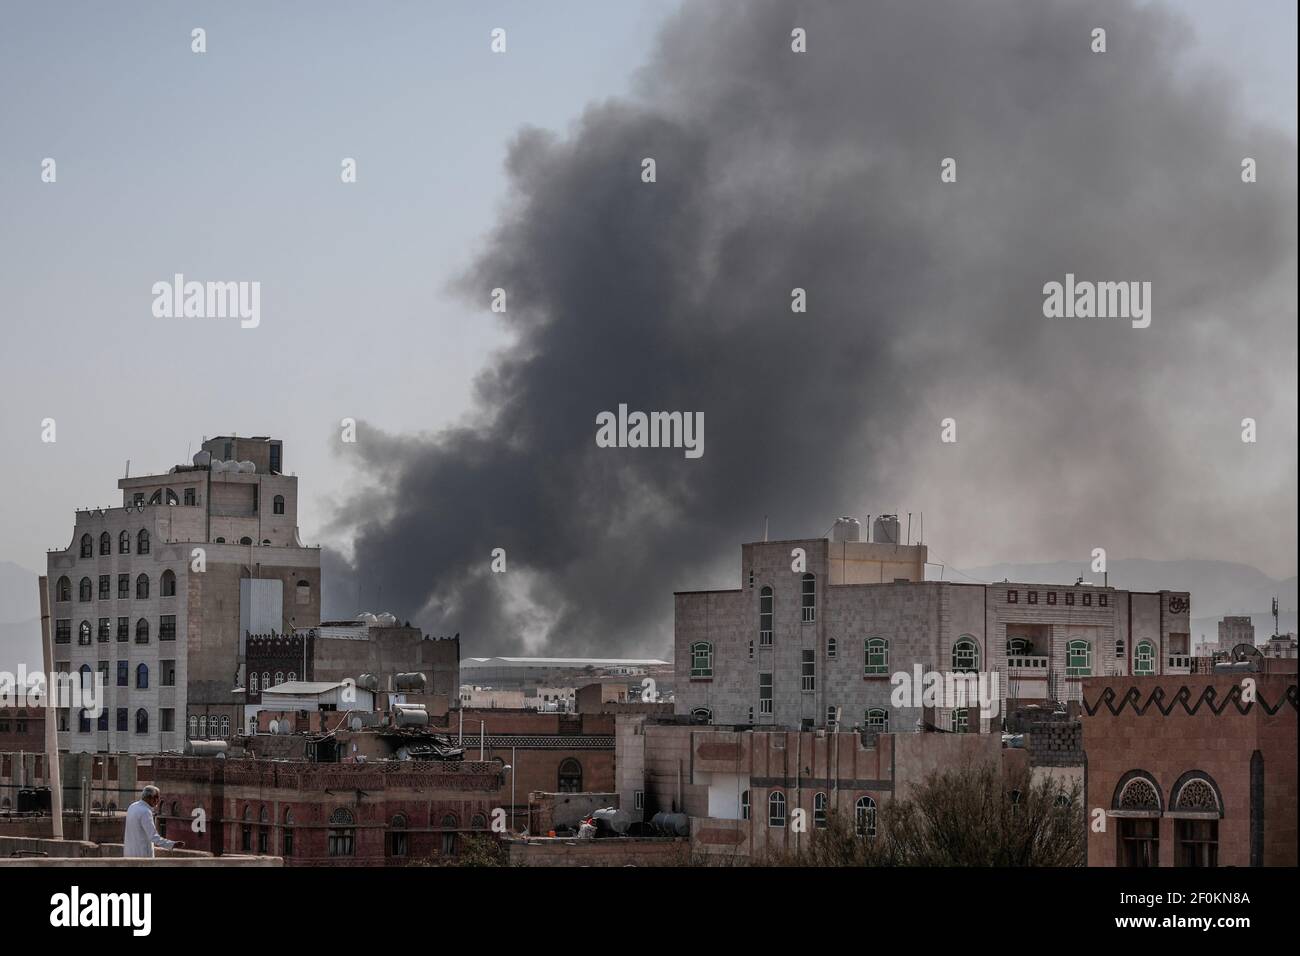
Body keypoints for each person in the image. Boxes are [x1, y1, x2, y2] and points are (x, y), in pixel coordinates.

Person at [123, 785, 184, 858]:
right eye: (157, 797)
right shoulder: (145, 812)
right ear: (151, 798)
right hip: (142, 856)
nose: (158, 801)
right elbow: (154, 837)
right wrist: (172, 844)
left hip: (129, 854)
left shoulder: (132, 806)